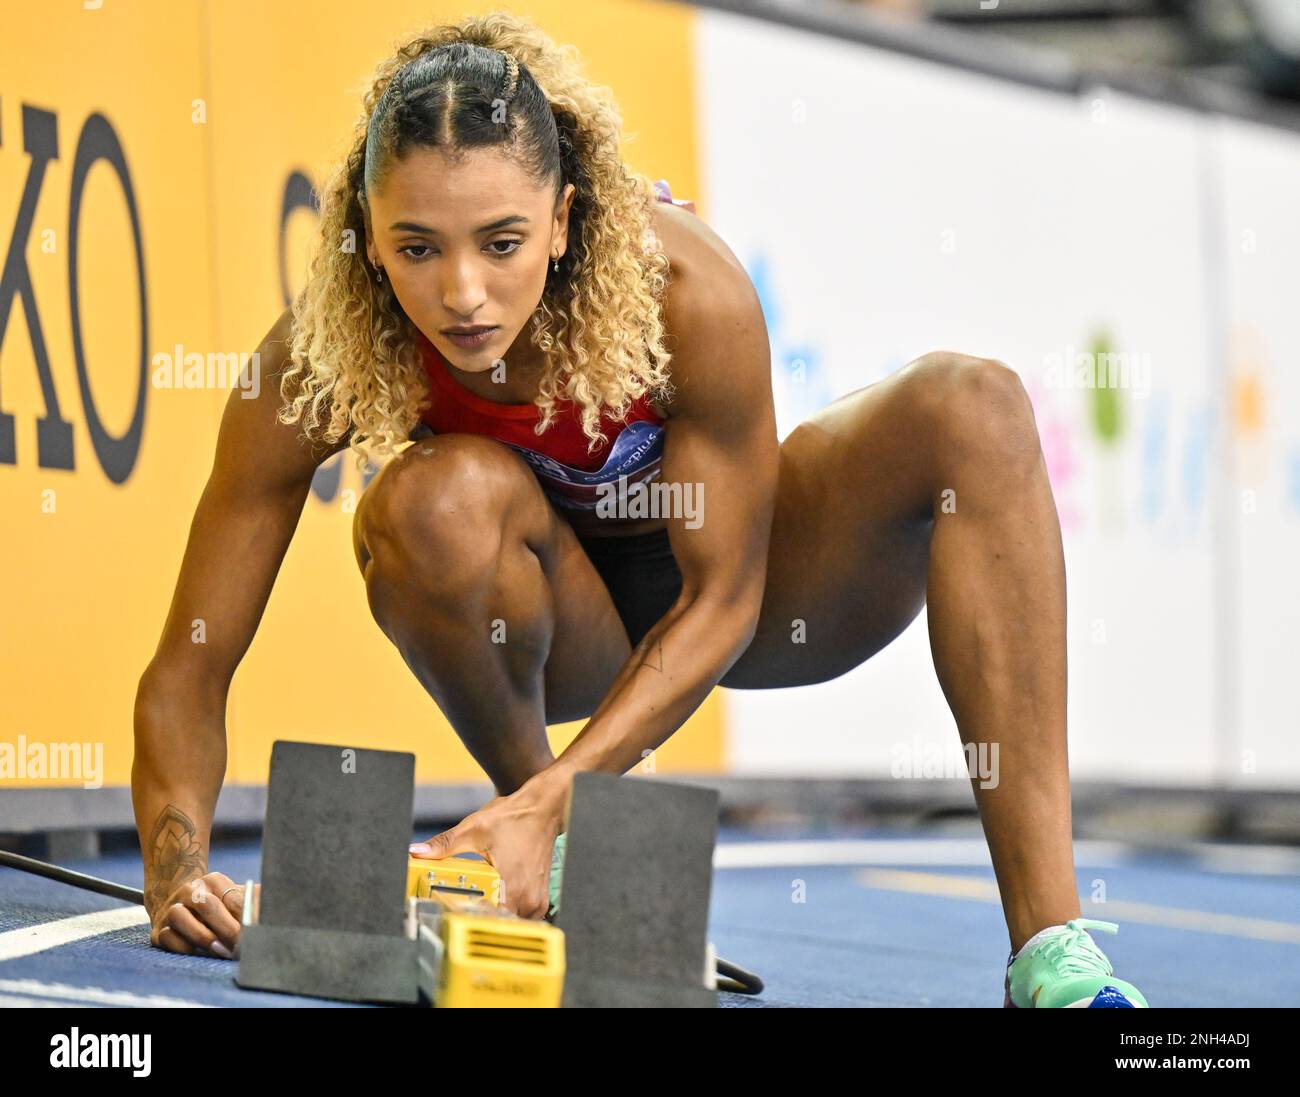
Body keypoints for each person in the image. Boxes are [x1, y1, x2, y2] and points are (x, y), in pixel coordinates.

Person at [132, 11, 1146, 1008]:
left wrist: (544, 799)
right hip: (561, 620)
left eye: (501, 240)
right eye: (417, 248)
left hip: (752, 600)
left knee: (972, 404)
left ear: (566, 217)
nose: (463, 294)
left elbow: (726, 599)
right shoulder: (326, 351)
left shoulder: (681, 287)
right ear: (368, 236)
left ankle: (1051, 953)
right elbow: (189, 661)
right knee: (428, 502)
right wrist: (176, 865)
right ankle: (566, 856)